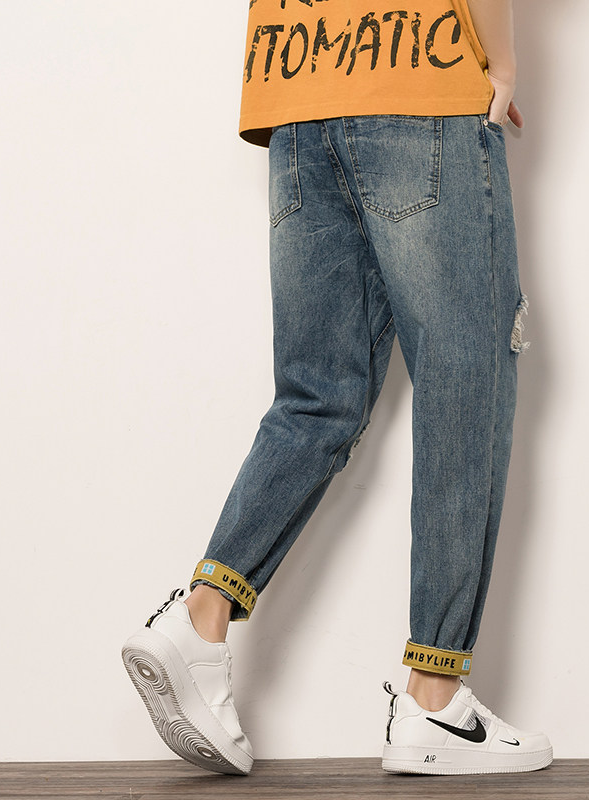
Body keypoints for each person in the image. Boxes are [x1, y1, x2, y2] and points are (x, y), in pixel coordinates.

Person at [122, 0, 552, 777]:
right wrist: (502, 62)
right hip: (421, 79)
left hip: (297, 96)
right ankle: (434, 698)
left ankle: (200, 618)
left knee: (319, 396)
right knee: (465, 383)